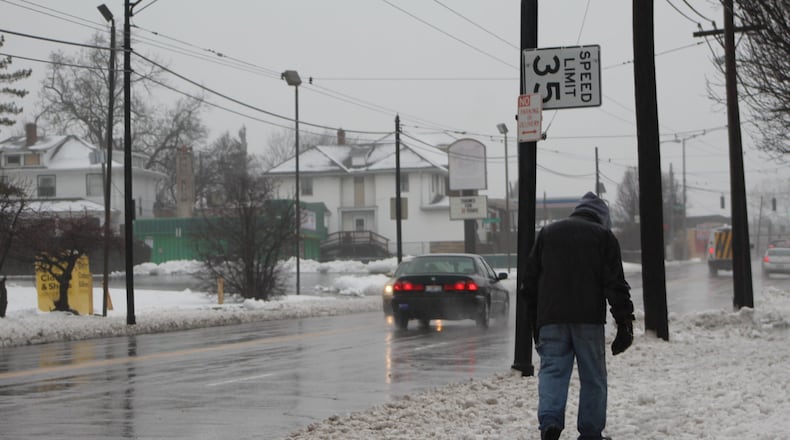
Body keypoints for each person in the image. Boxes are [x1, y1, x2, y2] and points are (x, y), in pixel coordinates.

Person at [522, 192, 635, 440]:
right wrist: (624, 323)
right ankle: (591, 433)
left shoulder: (547, 234)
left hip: (551, 319)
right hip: (589, 320)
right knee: (593, 377)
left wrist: (535, 323)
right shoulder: (604, 237)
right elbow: (615, 284)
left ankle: (550, 424)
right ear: (602, 218)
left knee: (552, 372)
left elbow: (529, 283)